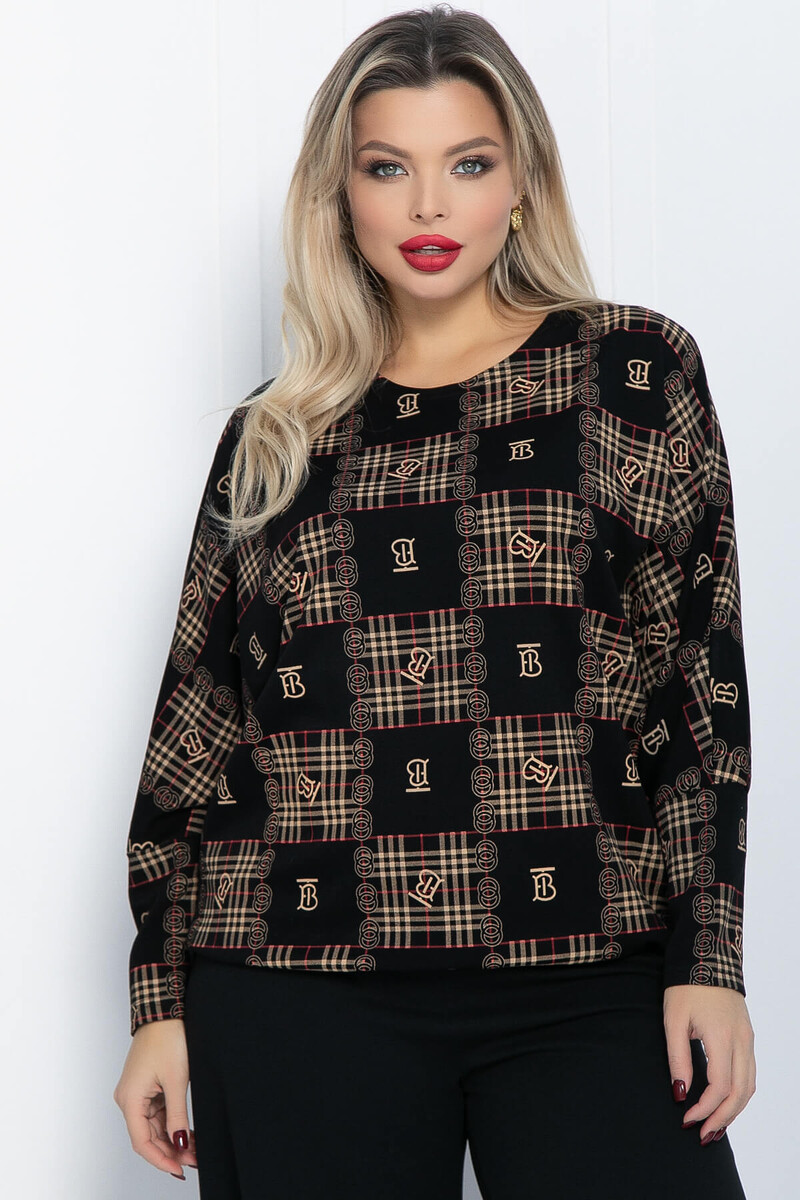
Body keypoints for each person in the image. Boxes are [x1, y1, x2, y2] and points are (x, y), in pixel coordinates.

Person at [113, 5, 757, 1197]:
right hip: (295, 977)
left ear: (519, 184)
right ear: (339, 195)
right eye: (385, 168)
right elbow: (196, 727)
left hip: (586, 961)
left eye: (465, 164)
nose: (426, 207)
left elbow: (698, 686)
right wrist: (158, 1002)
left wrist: (707, 957)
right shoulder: (275, 434)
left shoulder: (630, 372)